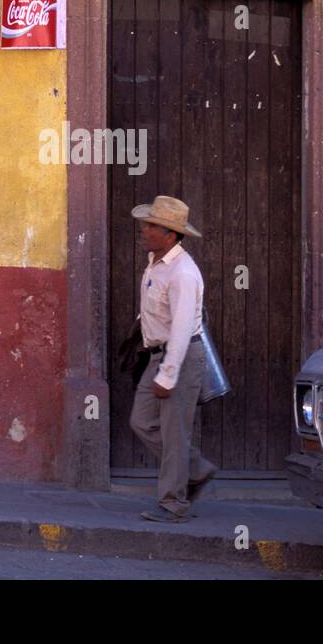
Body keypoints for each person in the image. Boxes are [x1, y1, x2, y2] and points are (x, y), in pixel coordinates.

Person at [129, 195, 218, 522]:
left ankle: (173, 504)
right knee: (141, 421)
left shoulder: (183, 272)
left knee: (175, 433)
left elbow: (181, 330)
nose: (144, 229)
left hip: (178, 357)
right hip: (159, 355)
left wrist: (167, 375)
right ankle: (195, 470)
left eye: (152, 225)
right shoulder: (156, 263)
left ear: (170, 235)